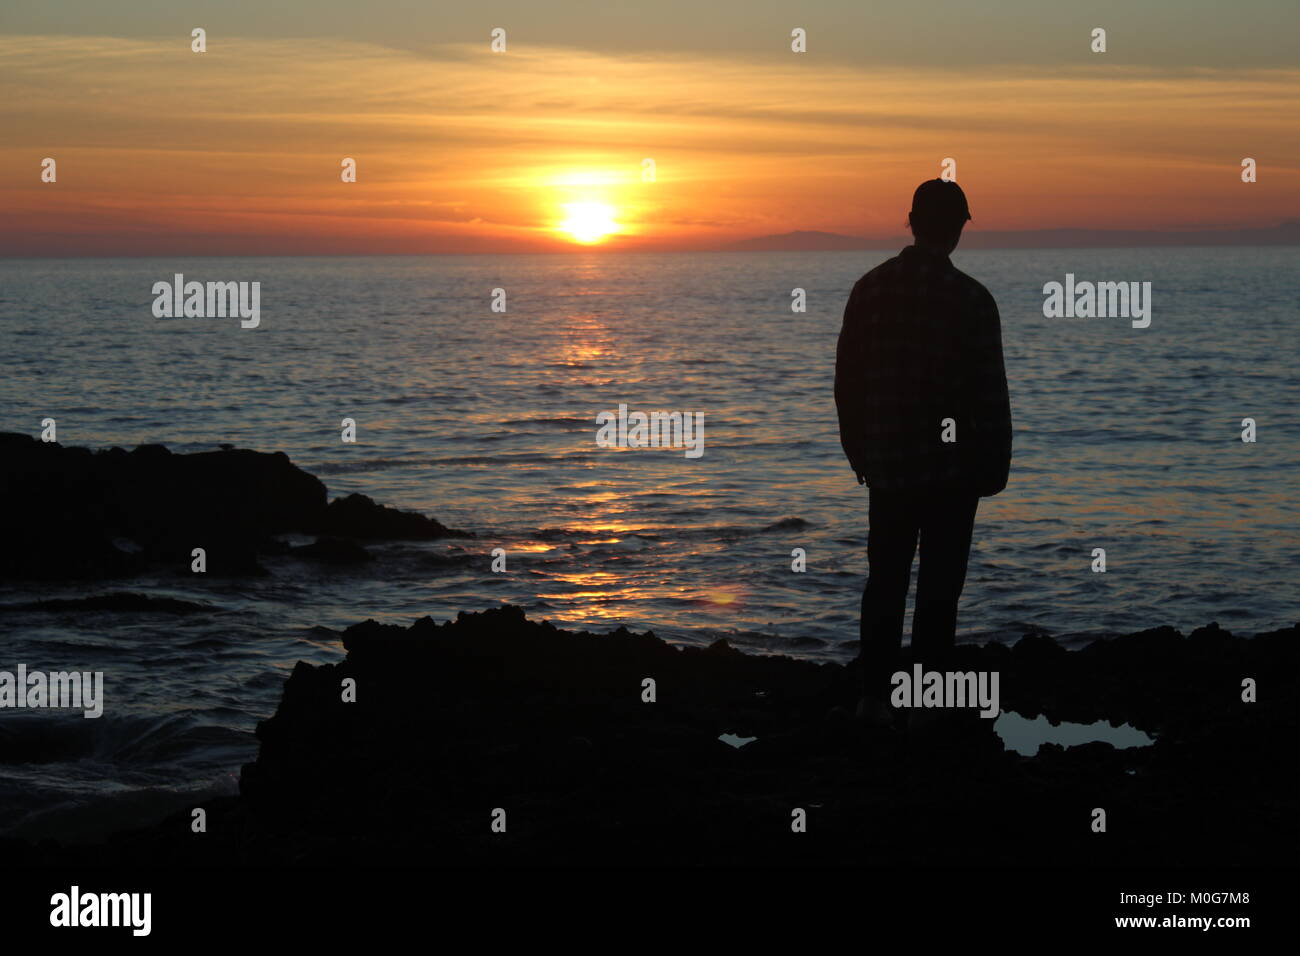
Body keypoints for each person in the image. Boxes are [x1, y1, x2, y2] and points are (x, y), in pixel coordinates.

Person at [834, 179, 1012, 721]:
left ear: (911, 220)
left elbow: (848, 380)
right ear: (957, 227)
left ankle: (873, 700)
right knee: (940, 587)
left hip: (887, 465)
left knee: (884, 580)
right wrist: (996, 462)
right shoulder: (973, 299)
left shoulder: (869, 289)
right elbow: (990, 391)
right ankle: (928, 702)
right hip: (952, 473)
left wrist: (857, 449)